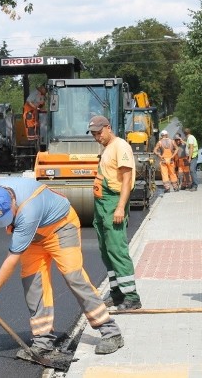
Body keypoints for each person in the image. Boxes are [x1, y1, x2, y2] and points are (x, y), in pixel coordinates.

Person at [0, 177, 124, 359]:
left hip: (60, 227)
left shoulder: (28, 209)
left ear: (13, 203)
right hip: (34, 237)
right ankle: (43, 341)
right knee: (33, 284)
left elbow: (11, 259)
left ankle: (110, 331)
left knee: (74, 276)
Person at [88, 115, 142, 311]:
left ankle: (132, 296)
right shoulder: (107, 148)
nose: (96, 137)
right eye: (93, 134)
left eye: (99, 133)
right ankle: (117, 294)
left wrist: (120, 207)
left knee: (117, 249)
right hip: (101, 203)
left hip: (113, 203)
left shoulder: (121, 146)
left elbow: (127, 180)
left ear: (108, 127)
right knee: (106, 250)